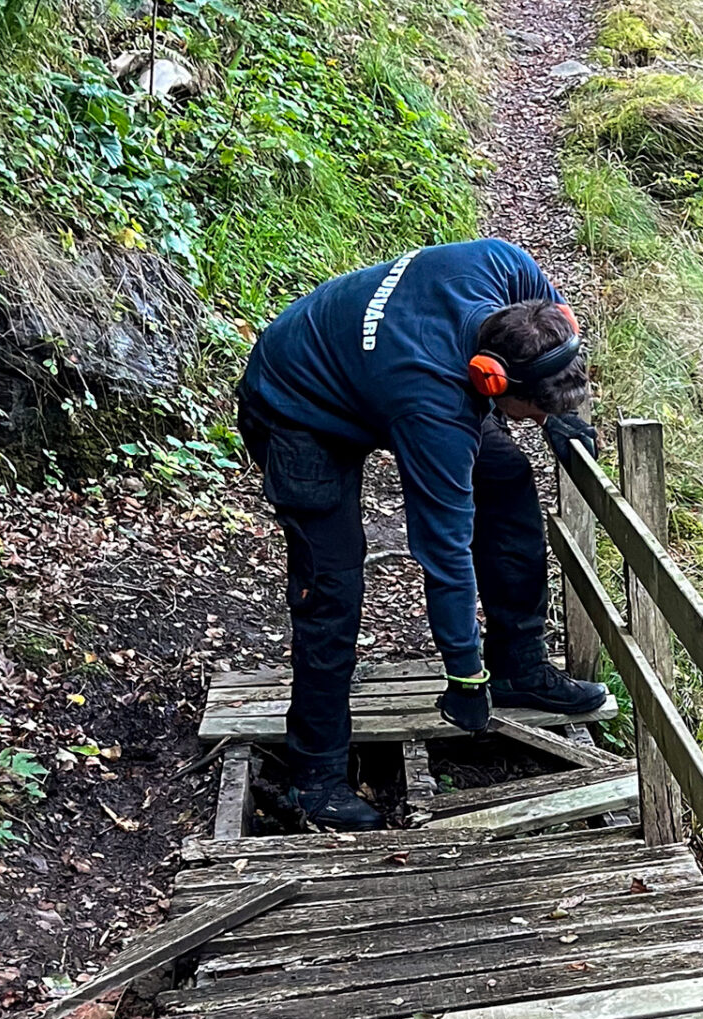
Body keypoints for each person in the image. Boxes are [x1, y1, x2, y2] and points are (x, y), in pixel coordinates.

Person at [235, 236, 608, 831]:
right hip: (295, 403)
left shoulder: (505, 265)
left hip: (369, 368)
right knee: (331, 584)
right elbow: (443, 549)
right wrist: (462, 675)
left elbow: (551, 338)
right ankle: (315, 774)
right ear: (489, 380)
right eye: (530, 411)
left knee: (507, 477)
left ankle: (519, 665)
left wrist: (561, 414)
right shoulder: (431, 403)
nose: (534, 423)